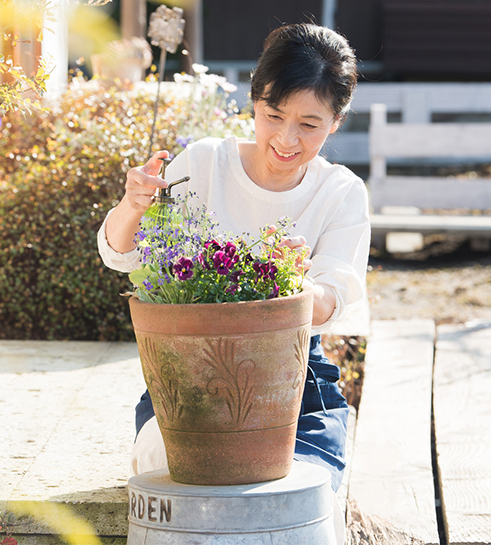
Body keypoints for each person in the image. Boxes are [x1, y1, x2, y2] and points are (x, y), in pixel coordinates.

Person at [98, 22, 370, 542]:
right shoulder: (205, 162)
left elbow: (334, 297)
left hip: (294, 385)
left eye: (310, 124)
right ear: (254, 101)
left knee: (305, 507)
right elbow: (121, 255)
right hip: (189, 379)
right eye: (273, 116)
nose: (287, 139)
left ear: (335, 122)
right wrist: (132, 206)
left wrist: (290, 283)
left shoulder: (340, 193)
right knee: (168, 475)